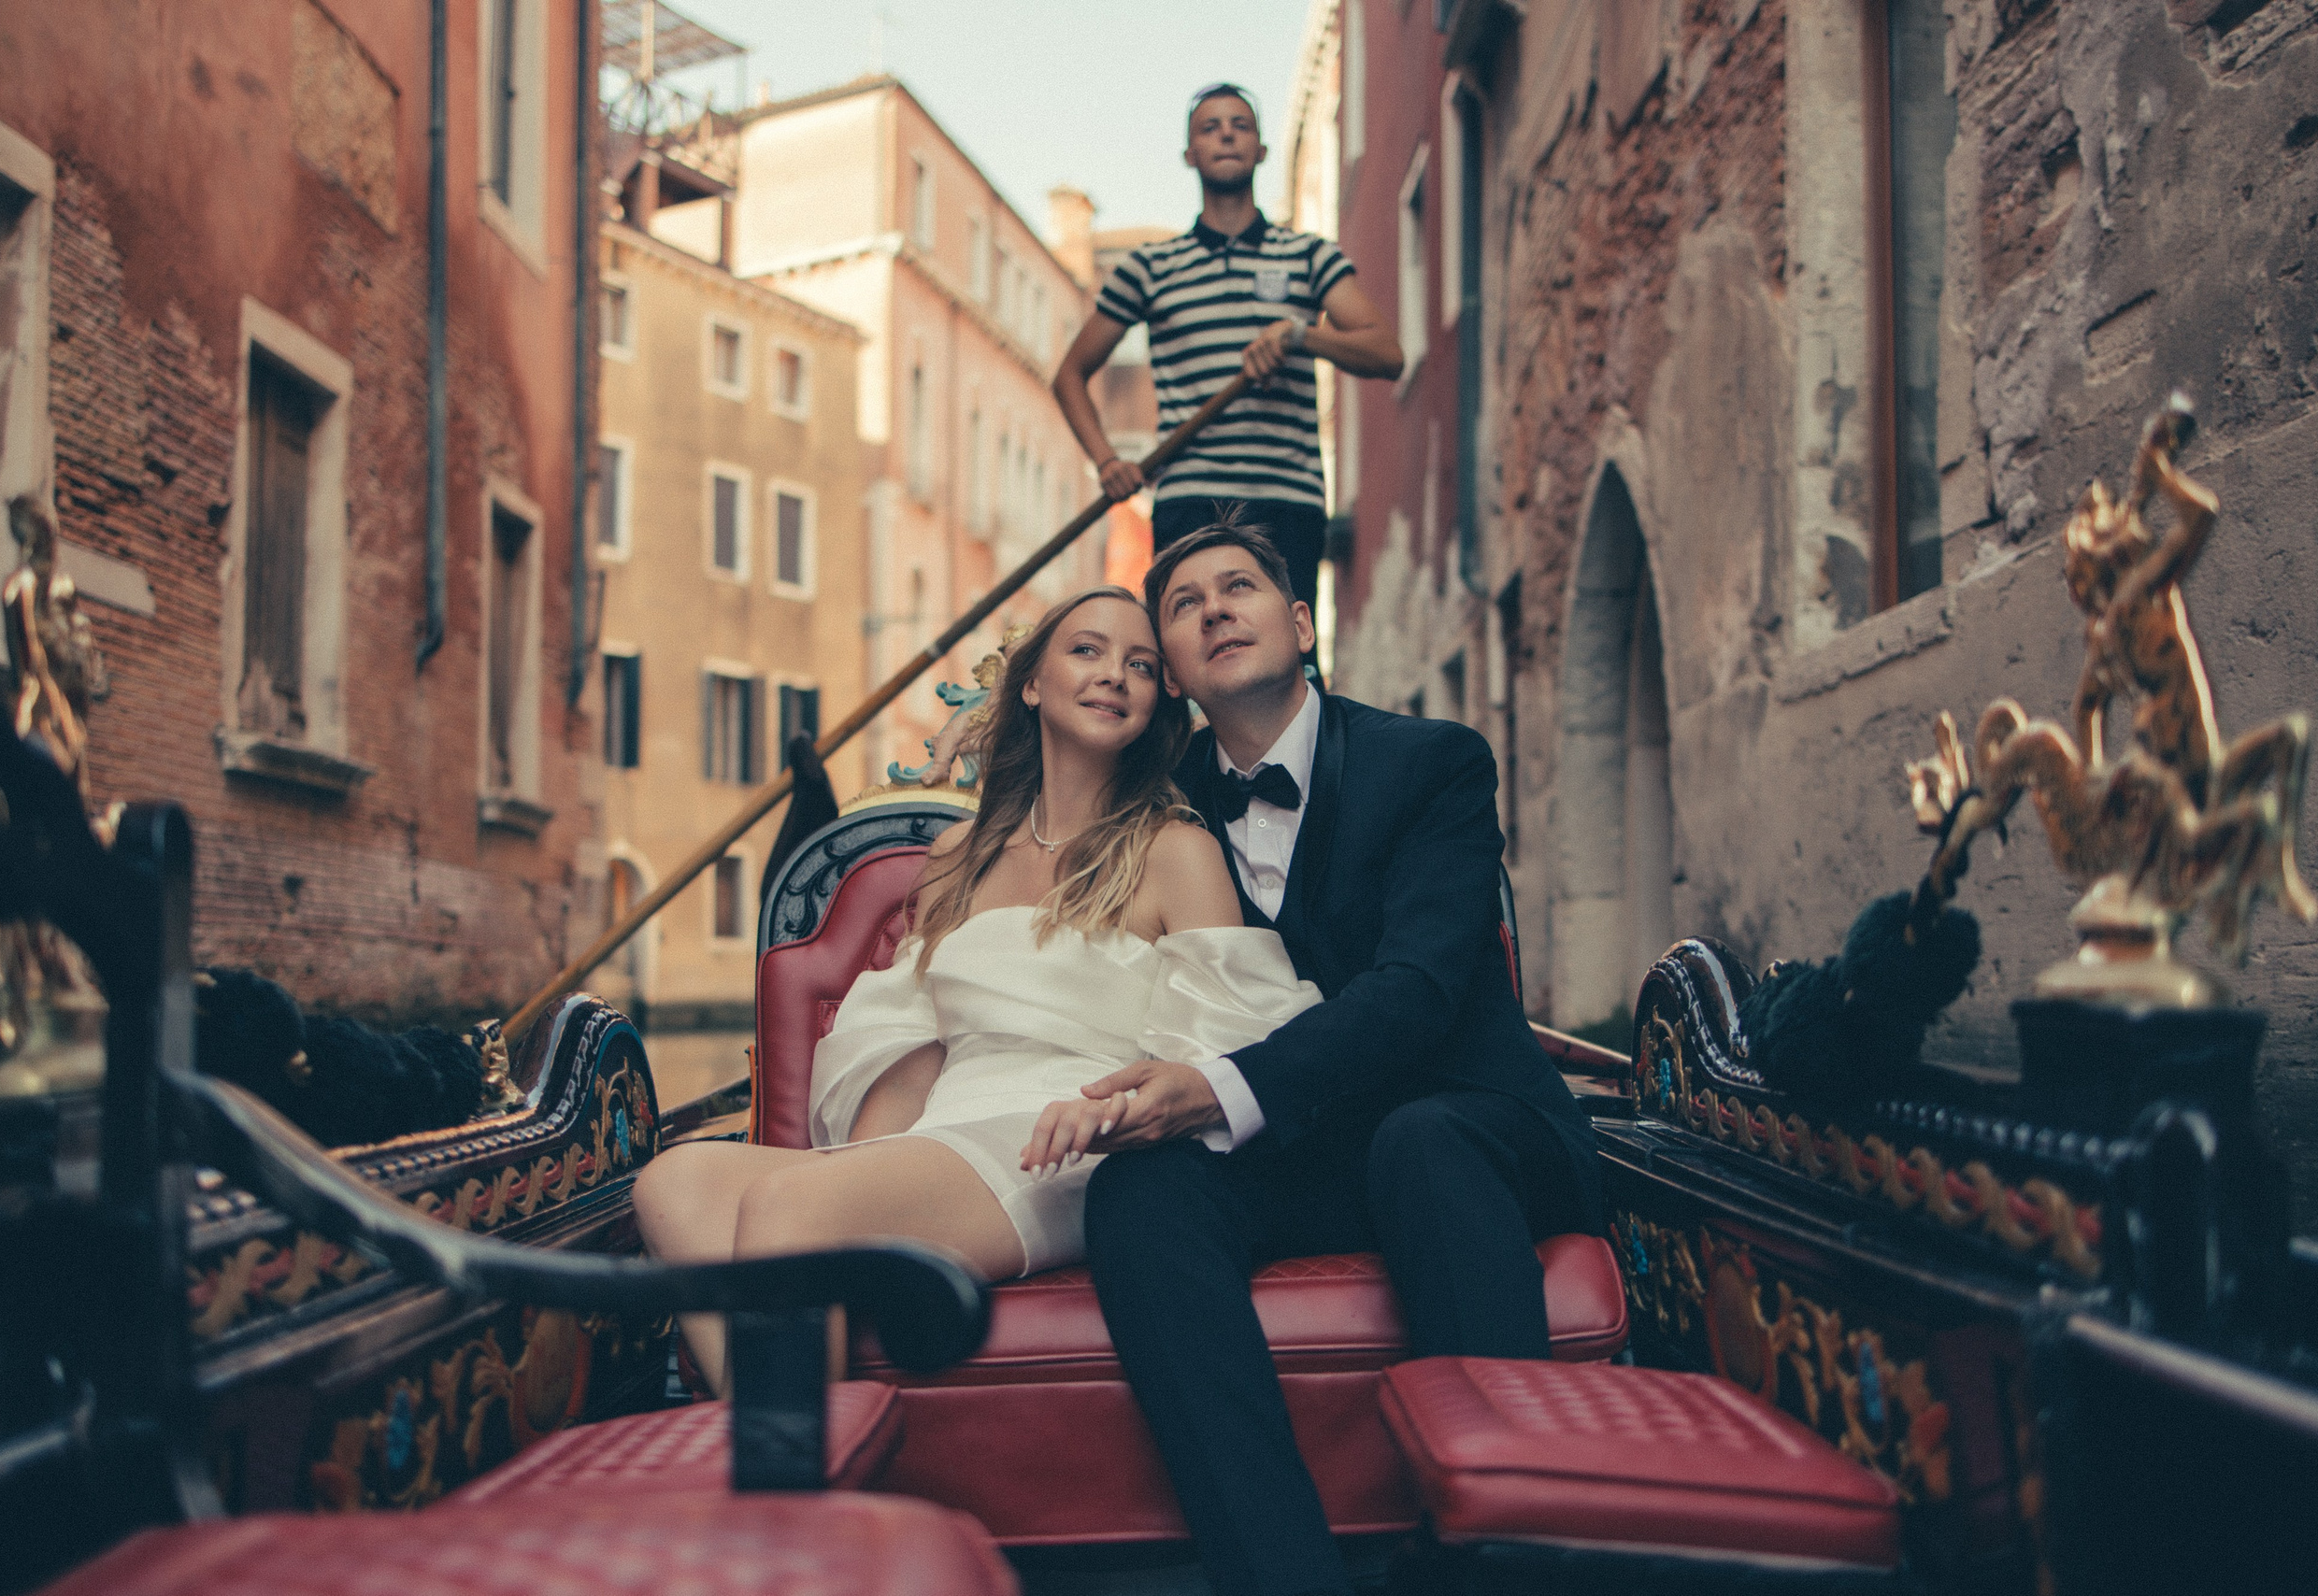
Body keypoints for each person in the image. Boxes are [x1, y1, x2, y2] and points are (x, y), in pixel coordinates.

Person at [1061, 521, 1608, 1596]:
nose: (1215, 609)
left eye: (1240, 588)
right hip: (1315, 1151)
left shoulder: (1432, 763)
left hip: (1474, 1125)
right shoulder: (1156, 804)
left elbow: (1416, 996)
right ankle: (1278, 1573)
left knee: (1422, 1139)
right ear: (1169, 668)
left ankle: (1494, 1558)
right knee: (1142, 1190)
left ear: (1300, 623)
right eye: (1184, 605)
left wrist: (1216, 1088)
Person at [630, 586, 1320, 1394]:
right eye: (1087, 650)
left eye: (1140, 664)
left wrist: (1121, 1116)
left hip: (1066, 1143)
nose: (1116, 676)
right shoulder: (962, 851)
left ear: (1156, 704)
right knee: (674, 1183)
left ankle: (791, 1484)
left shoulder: (1173, 849)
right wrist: (869, 1164)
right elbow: (906, 1026)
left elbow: (1234, 1035)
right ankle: (800, 1450)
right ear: (1030, 684)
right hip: (951, 1130)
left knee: (790, 1212)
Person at [1052, 83, 1402, 653]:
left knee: (1290, 659)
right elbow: (1069, 376)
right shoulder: (1152, 268)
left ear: (1261, 149)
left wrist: (1300, 336)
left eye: (1239, 125)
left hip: (1287, 497)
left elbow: (1386, 352)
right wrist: (1107, 460)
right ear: (1189, 154)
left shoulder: (1309, 256)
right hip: (1191, 495)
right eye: (1210, 127)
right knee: (1188, 661)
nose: (1226, 135)